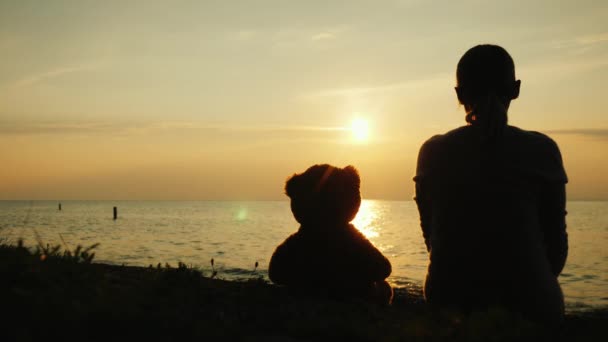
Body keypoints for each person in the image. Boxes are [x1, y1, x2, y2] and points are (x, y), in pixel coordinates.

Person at [413, 44, 568, 323]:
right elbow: (556, 250)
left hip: (449, 304)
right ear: (516, 89)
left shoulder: (432, 152)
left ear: (459, 95)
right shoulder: (543, 150)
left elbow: (432, 240)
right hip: (533, 304)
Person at [269, 164, 393, 304]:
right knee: (383, 288)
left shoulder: (301, 240)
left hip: (307, 303)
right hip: (350, 300)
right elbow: (382, 268)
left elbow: (275, 273)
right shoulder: (351, 240)